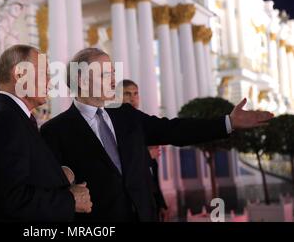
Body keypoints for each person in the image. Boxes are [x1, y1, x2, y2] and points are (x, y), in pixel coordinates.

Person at [40, 48, 273, 222]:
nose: (113, 79)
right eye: (104, 73)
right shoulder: (55, 131)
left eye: (112, 72)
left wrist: (228, 122)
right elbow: (50, 190)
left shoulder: (126, 115)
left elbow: (175, 130)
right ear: (81, 79)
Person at [0, 44, 92, 222]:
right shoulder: (4, 121)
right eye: (44, 73)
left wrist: (57, 175)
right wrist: (70, 200)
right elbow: (11, 199)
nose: (50, 82)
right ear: (20, 74)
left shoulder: (14, 117)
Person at [119, 79, 169, 221]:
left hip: (150, 202)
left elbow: (152, 175)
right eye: (127, 94)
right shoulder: (115, 124)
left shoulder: (142, 123)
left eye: (136, 93)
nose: (133, 98)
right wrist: (147, 155)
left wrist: (160, 203)